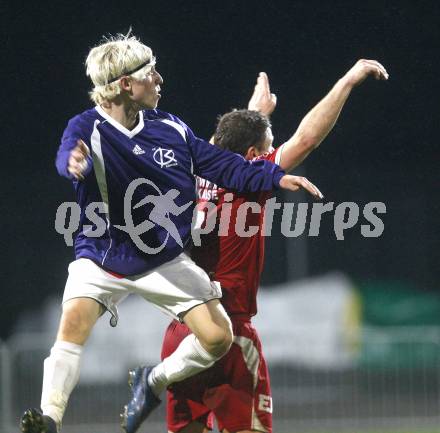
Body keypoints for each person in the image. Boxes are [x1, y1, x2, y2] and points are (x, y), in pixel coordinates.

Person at [19, 32, 323, 433]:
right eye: (150, 73)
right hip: (103, 253)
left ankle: (154, 379)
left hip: (162, 256)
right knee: (73, 320)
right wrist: (72, 162)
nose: (160, 79)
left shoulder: (171, 129)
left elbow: (224, 164)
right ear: (126, 84)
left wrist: (276, 175)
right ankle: (49, 418)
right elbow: (66, 154)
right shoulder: (86, 127)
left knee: (218, 337)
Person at [156, 60, 388, 433]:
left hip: (182, 330)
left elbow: (222, 142)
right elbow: (307, 138)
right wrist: (347, 80)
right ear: (252, 155)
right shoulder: (249, 178)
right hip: (228, 330)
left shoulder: (193, 171)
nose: (271, 151)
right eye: (266, 146)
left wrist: (253, 114)